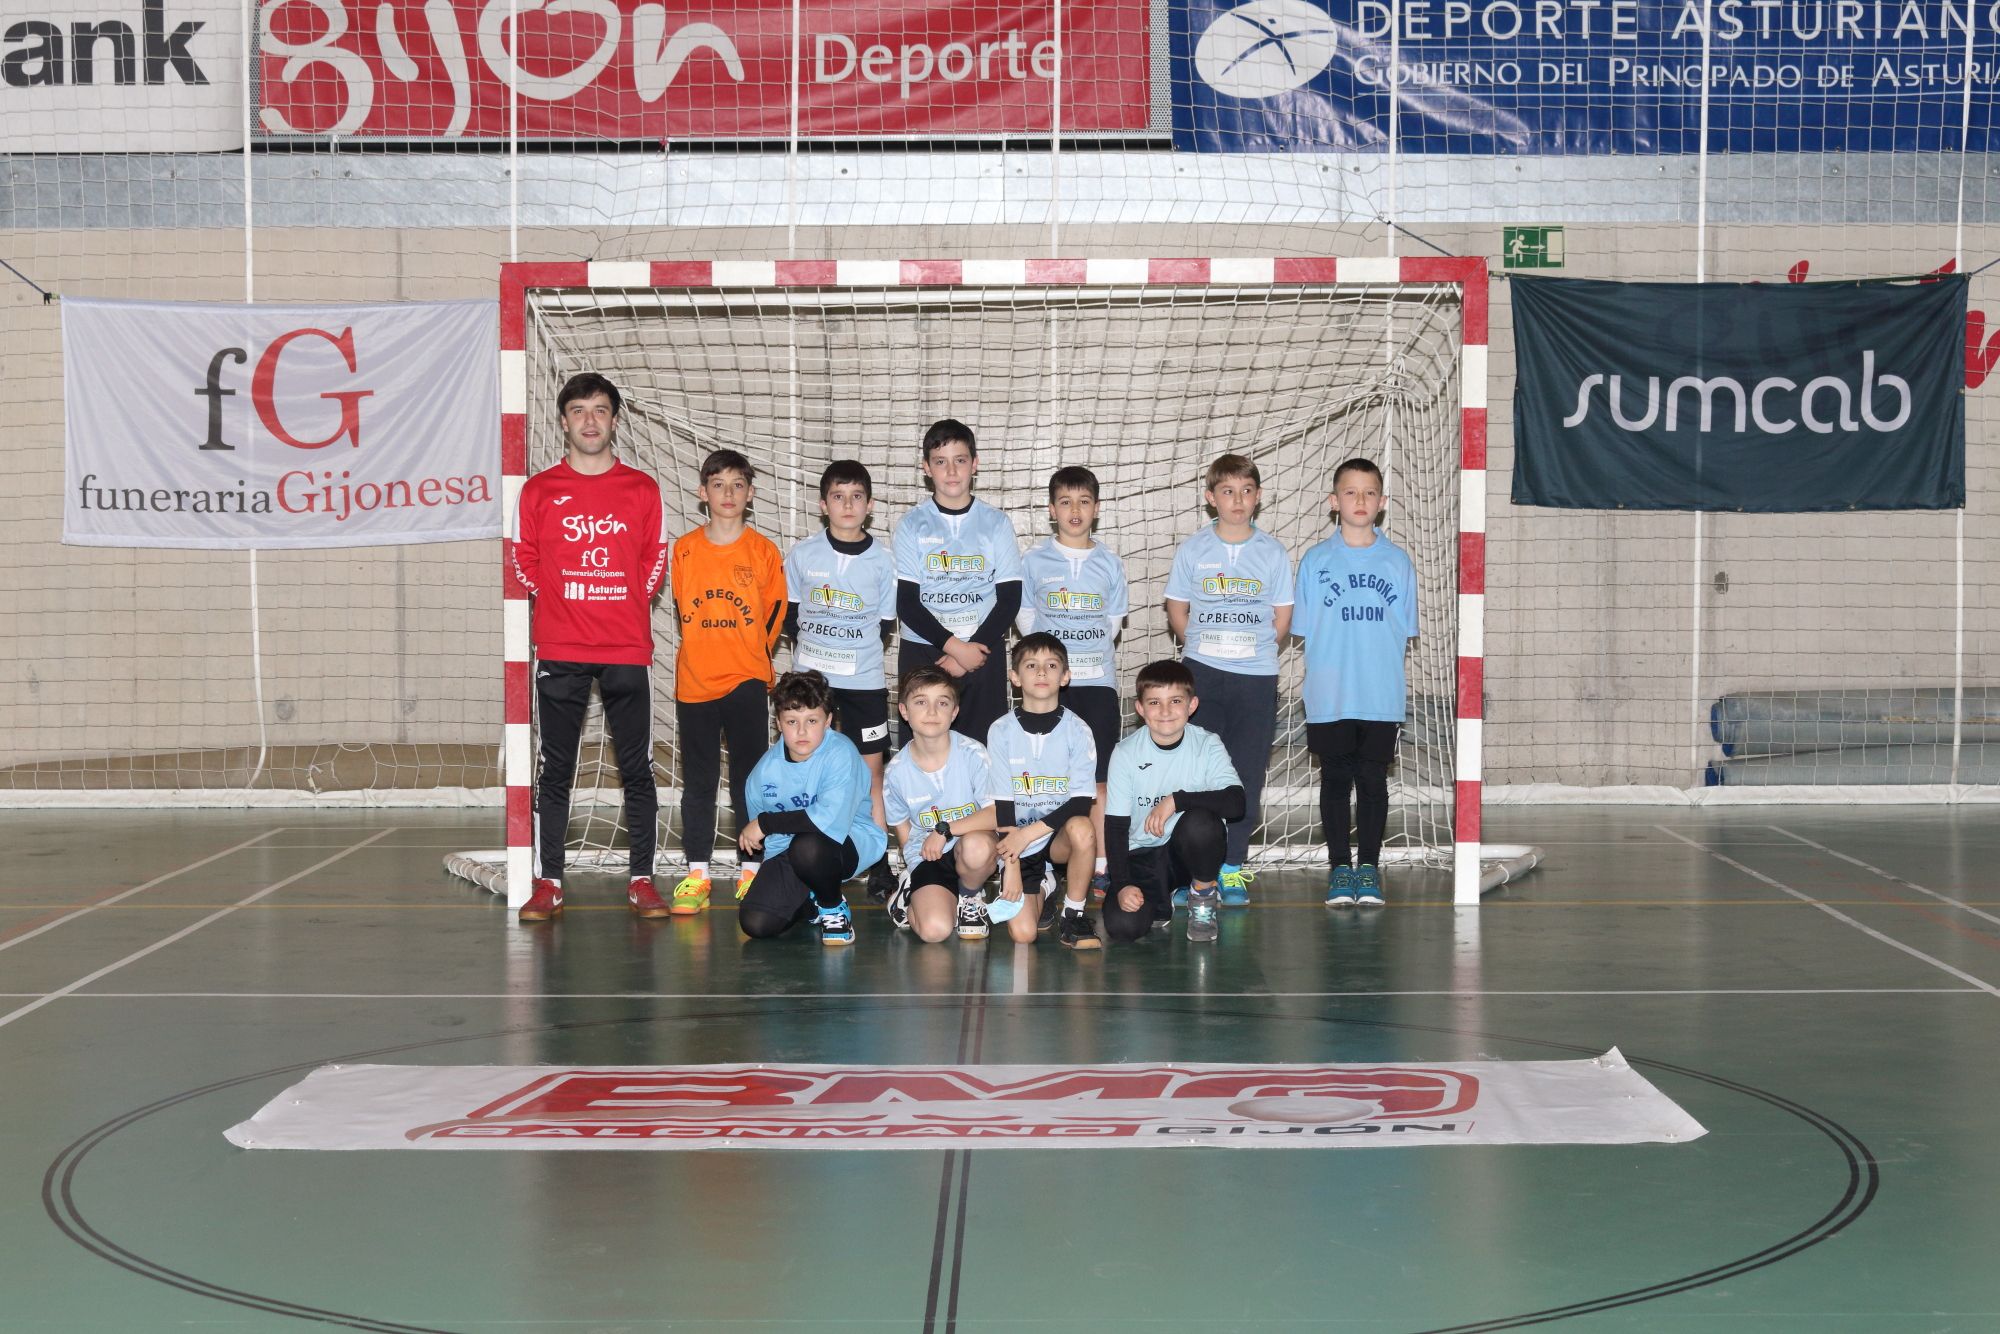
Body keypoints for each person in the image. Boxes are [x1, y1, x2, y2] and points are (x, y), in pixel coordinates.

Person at [510, 373, 669, 923]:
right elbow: (522, 559)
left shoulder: (642, 489)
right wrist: (563, 601)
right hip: (561, 644)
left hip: (626, 646)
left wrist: (620, 604)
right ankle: (548, 881)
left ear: (615, 419)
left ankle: (643, 880)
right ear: (563, 421)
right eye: (579, 410)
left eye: (600, 410)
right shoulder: (538, 491)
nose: (590, 420)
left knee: (636, 769)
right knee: (556, 766)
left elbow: (654, 560)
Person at [1162, 453, 1293, 907]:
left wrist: (1249, 651)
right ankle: (1192, 868)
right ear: (1210, 498)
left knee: (1245, 773)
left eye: (1247, 491)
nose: (1237, 501)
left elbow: (1282, 619)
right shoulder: (1193, 549)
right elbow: (1178, 610)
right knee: (1195, 771)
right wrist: (1201, 647)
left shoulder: (1273, 552)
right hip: (1203, 674)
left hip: (1255, 679)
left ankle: (1233, 866)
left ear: (1258, 497)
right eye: (1227, 492)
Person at [1293, 458, 1420, 908]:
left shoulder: (1398, 563)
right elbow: (1305, 630)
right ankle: (1339, 868)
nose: (1360, 500)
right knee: (1334, 780)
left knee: (1372, 782)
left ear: (1382, 503)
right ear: (1334, 502)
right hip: (1330, 695)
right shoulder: (1314, 561)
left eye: (1370, 493)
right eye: (1351, 492)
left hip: (1380, 695)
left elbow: (1403, 633)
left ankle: (1369, 867)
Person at [667, 449, 787, 915]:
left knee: (748, 782)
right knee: (698, 781)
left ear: (751, 493)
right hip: (695, 682)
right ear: (703, 493)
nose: (728, 494)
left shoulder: (762, 551)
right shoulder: (684, 550)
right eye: (718, 485)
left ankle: (749, 872)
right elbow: (683, 610)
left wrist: (750, 655)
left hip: (746, 680)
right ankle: (697, 873)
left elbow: (774, 615)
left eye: (738, 485)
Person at [784, 460, 899, 902]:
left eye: (856, 497)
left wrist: (850, 653)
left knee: (871, 773)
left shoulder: (882, 562)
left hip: (865, 684)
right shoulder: (803, 555)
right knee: (812, 771)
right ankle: (808, 856)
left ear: (869, 505)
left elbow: (885, 624)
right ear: (822, 504)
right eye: (838, 496)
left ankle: (880, 863)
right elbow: (791, 616)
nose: (847, 505)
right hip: (813, 685)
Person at [1018, 465, 1128, 900]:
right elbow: (1028, 619)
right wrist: (1049, 669)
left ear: (1096, 509)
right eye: (1065, 502)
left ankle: (1100, 863)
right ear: (1052, 510)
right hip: (1049, 687)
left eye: (1084, 502)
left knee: (1098, 779)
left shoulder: (1110, 563)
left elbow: (1113, 624)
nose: (1075, 510)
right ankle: (1041, 858)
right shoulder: (1034, 560)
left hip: (1097, 683)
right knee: (1045, 775)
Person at [892, 419, 1023, 747]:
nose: (951, 471)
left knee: (982, 753)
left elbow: (1009, 599)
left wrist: (970, 652)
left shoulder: (996, 523)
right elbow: (907, 602)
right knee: (921, 754)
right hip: (926, 652)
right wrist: (956, 650)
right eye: (940, 461)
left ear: (975, 464)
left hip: (983, 650)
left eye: (960, 460)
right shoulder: (911, 525)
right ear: (926, 468)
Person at [737, 671, 888, 945]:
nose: (802, 731)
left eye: (812, 720)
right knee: (756, 922)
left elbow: (825, 821)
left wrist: (766, 823)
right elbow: (770, 845)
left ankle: (832, 907)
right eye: (792, 721)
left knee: (808, 847)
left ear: (828, 721)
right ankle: (811, 901)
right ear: (779, 723)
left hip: (850, 839)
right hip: (790, 848)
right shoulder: (761, 775)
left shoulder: (841, 753)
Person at [1102, 660, 1244, 944]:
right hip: (1140, 856)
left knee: (1202, 822)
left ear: (1192, 705)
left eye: (1175, 701)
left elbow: (1236, 803)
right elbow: (1115, 828)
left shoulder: (1207, 744)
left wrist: (1176, 801)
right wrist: (1122, 884)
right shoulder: (1125, 753)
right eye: (1154, 702)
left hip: (1184, 854)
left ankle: (1202, 897)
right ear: (1140, 709)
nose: (1165, 711)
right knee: (1124, 927)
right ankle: (1161, 899)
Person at [986, 634, 1101, 950]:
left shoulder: (1078, 731)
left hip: (1056, 839)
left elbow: (1080, 801)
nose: (1041, 673)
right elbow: (1003, 804)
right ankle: (1046, 886)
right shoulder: (1000, 731)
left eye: (1051, 666)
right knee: (1024, 934)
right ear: (1014, 676)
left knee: (1083, 828)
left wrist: (1029, 835)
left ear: (1065, 676)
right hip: (1016, 842)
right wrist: (1010, 866)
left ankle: (1073, 914)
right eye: (1031, 665)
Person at [883, 666, 1001, 943]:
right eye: (921, 702)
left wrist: (946, 830)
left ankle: (970, 896)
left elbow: (997, 813)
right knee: (935, 931)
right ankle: (909, 893)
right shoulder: (897, 770)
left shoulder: (973, 754)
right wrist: (915, 864)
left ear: (954, 712)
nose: (932, 711)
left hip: (968, 848)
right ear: (904, 711)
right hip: (929, 854)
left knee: (977, 847)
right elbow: (901, 826)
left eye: (942, 703)